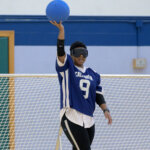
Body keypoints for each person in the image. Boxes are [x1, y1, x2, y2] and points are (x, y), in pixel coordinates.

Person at [50, 21, 112, 150]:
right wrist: (61, 31)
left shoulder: (93, 73)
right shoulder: (67, 67)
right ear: (72, 54)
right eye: (78, 52)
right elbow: (60, 52)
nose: (81, 55)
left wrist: (105, 110)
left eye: (84, 52)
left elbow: (98, 95)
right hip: (71, 115)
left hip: (89, 119)